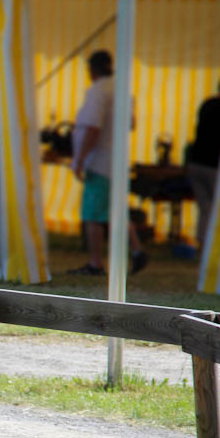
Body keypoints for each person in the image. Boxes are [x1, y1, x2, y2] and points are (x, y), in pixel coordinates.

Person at [69, 50, 147, 276]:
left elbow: (93, 126)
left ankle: (96, 263)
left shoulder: (98, 90)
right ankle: (137, 250)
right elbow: (131, 123)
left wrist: (80, 158)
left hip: (99, 160)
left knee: (92, 215)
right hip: (117, 160)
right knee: (116, 210)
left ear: (92, 69)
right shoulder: (122, 89)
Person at [185, 74, 220, 248]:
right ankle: (217, 245)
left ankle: (203, 243)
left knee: (205, 207)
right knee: (219, 207)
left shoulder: (207, 104)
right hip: (215, 165)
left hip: (196, 162)